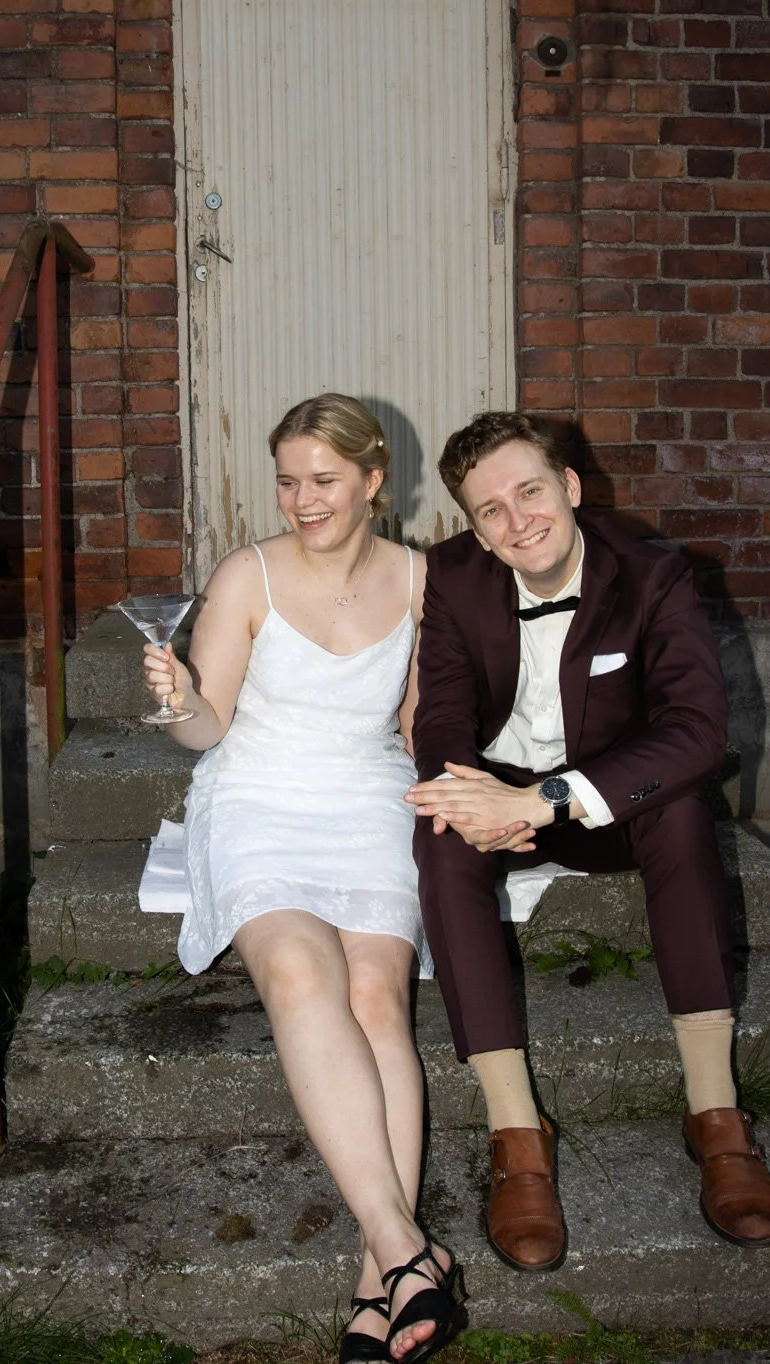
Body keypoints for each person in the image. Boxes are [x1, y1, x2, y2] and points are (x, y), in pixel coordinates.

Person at [141, 394, 471, 1364]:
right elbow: (206, 728)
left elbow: (414, 724)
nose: (303, 499)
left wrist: (462, 792)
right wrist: (179, 701)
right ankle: (407, 1249)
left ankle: (379, 1277)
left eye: (324, 479)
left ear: (374, 480)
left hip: (365, 790)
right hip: (257, 793)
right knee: (297, 972)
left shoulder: (422, 579)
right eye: (288, 481)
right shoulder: (246, 574)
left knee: (375, 995)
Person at [406, 409, 770, 1274]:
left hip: (602, 797)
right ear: (474, 528)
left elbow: (696, 731)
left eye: (530, 492)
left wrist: (546, 802)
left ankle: (715, 1113)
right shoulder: (453, 577)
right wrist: (467, 795)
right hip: (501, 789)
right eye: (490, 509)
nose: (517, 520)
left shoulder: (653, 572)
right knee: (440, 836)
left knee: (682, 812)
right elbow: (443, 711)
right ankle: (516, 1132)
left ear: (569, 487)